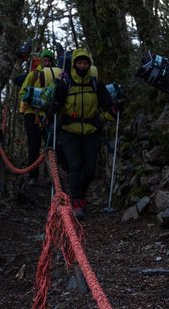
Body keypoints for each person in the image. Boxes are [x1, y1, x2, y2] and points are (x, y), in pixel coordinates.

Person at [50, 48, 119, 219]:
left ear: (89, 65)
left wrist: (115, 110)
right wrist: (50, 113)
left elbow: (107, 106)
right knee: (75, 166)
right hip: (69, 131)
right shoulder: (65, 84)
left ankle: (81, 192)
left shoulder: (96, 85)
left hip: (91, 131)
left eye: (85, 63)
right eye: (80, 63)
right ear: (74, 65)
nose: (82, 65)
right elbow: (56, 105)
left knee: (89, 170)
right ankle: (77, 202)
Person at [19, 49, 57, 185]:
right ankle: (32, 176)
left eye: (49, 61)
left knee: (50, 146)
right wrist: (31, 99)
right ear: (41, 61)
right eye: (45, 60)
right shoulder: (33, 75)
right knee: (33, 145)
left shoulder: (54, 76)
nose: (47, 63)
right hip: (32, 114)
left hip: (48, 115)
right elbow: (22, 92)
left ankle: (50, 176)